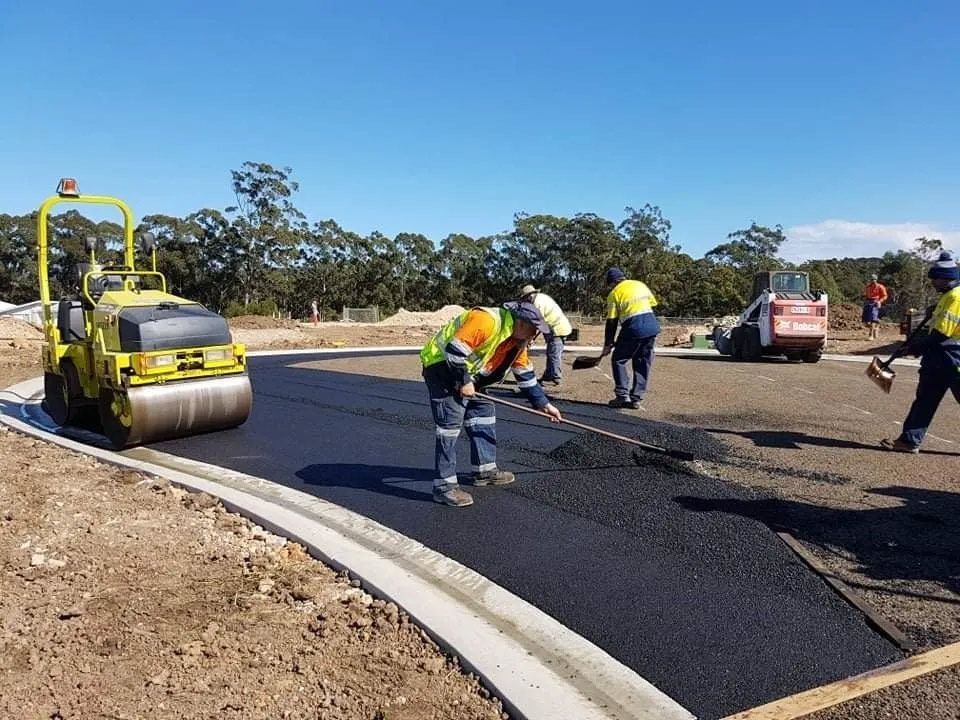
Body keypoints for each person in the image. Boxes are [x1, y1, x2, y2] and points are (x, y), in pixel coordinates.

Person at [420, 301, 563, 507]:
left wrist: (543, 404)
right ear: (521, 324)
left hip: (469, 375)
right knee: (450, 427)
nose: (535, 336)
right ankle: (444, 487)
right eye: (534, 330)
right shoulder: (487, 320)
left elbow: (525, 374)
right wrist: (463, 380)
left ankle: (484, 470)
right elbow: (454, 351)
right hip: (441, 367)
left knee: (483, 412)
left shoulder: (516, 342)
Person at [881, 251, 960, 453]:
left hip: (953, 356)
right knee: (924, 399)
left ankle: (909, 440)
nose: (933, 282)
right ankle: (909, 441)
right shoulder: (946, 297)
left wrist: (915, 347)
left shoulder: (955, 298)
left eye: (935, 279)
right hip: (937, 357)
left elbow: (942, 334)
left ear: (946, 278)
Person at [600, 267, 660, 409]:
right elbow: (652, 304)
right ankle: (636, 398)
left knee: (619, 359)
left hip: (633, 326)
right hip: (652, 326)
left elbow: (612, 322)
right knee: (642, 361)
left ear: (612, 283)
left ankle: (622, 396)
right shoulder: (640, 284)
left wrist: (608, 344)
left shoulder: (614, 293)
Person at [518, 284, 573, 386]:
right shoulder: (540, 298)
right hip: (553, 328)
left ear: (529, 296)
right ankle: (548, 375)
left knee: (554, 354)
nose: (525, 301)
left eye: (525, 298)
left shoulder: (537, 304)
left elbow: (536, 323)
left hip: (557, 329)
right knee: (551, 353)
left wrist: (529, 339)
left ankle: (555, 377)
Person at [862, 274, 888, 340]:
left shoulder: (880, 287)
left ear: (876, 280)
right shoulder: (867, 287)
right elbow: (865, 295)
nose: (873, 281)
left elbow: (885, 296)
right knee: (865, 321)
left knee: (873, 319)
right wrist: (864, 299)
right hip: (868, 303)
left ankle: (871, 335)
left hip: (875, 303)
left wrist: (880, 301)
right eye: (871, 279)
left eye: (874, 279)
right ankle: (876, 327)